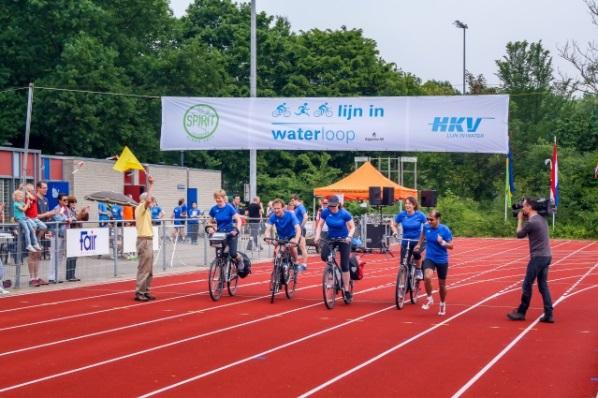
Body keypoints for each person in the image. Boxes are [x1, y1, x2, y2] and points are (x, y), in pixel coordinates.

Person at [507, 197, 554, 323]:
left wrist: (520, 220)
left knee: (527, 284)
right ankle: (549, 314)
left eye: (524, 206)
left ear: (529, 207)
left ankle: (521, 312)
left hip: (538, 257)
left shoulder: (532, 222)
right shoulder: (541, 219)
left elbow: (519, 234)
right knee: (543, 285)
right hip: (546, 256)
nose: (522, 208)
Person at [314, 195, 356, 302]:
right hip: (330, 237)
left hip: (344, 239)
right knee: (324, 256)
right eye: (330, 206)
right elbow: (320, 225)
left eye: (333, 206)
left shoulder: (344, 214)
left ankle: (346, 290)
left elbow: (352, 227)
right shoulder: (325, 212)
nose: (331, 208)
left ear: (338, 205)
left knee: (344, 265)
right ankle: (332, 269)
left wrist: (349, 237)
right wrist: (317, 236)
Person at [420, 210, 454, 316]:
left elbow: (451, 246)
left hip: (442, 260)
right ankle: (429, 298)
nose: (429, 221)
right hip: (430, 257)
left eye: (431, 219)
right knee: (427, 277)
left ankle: (442, 303)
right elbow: (422, 236)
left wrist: (442, 242)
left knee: (442, 285)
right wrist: (418, 244)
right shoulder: (426, 227)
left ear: (438, 219)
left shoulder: (445, 230)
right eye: (428, 219)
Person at [390, 196, 427, 280]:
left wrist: (427, 234)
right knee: (404, 262)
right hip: (405, 241)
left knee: (416, 253)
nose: (407, 205)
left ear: (414, 205)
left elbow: (427, 225)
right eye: (406, 203)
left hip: (417, 241)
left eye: (409, 204)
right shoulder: (402, 215)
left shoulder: (420, 215)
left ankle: (418, 270)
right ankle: (405, 282)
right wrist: (395, 231)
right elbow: (394, 225)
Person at [207, 190, 244, 268]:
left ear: (223, 198)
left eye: (219, 198)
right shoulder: (213, 209)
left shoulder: (229, 207)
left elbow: (239, 220)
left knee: (233, 254)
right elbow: (209, 221)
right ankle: (223, 273)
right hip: (220, 233)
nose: (218, 200)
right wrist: (210, 228)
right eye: (216, 198)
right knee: (220, 255)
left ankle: (240, 260)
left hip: (230, 233)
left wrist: (237, 229)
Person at [134, 175, 155, 302]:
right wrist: (151, 185)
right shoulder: (141, 207)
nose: (152, 201)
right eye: (151, 199)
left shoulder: (146, 210)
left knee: (149, 268)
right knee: (144, 267)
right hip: (144, 240)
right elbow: (147, 200)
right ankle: (140, 292)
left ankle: (146, 290)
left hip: (148, 239)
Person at [29, 182, 53, 286]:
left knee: (38, 254)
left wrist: (50, 215)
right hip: (33, 229)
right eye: (43, 188)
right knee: (32, 254)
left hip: (42, 231)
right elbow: (33, 215)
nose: (46, 190)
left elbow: (44, 216)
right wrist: (46, 214)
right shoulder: (34, 199)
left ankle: (37, 277)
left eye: (46, 188)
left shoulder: (46, 200)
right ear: (38, 188)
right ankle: (31, 278)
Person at [264, 199, 301, 266]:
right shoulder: (273, 216)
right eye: (274, 208)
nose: (276, 210)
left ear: (283, 208)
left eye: (278, 208)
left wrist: (296, 239)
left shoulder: (290, 215)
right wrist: (267, 237)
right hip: (281, 237)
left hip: (291, 236)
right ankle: (278, 271)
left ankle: (296, 261)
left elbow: (298, 229)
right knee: (277, 252)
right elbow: (268, 229)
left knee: (292, 248)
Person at [290, 194, 309, 271]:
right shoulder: (297, 207)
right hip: (296, 230)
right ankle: (295, 262)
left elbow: (306, 217)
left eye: (292, 201)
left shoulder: (301, 207)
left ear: (295, 200)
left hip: (300, 229)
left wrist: (301, 226)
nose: (291, 202)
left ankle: (304, 264)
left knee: (302, 247)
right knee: (293, 245)